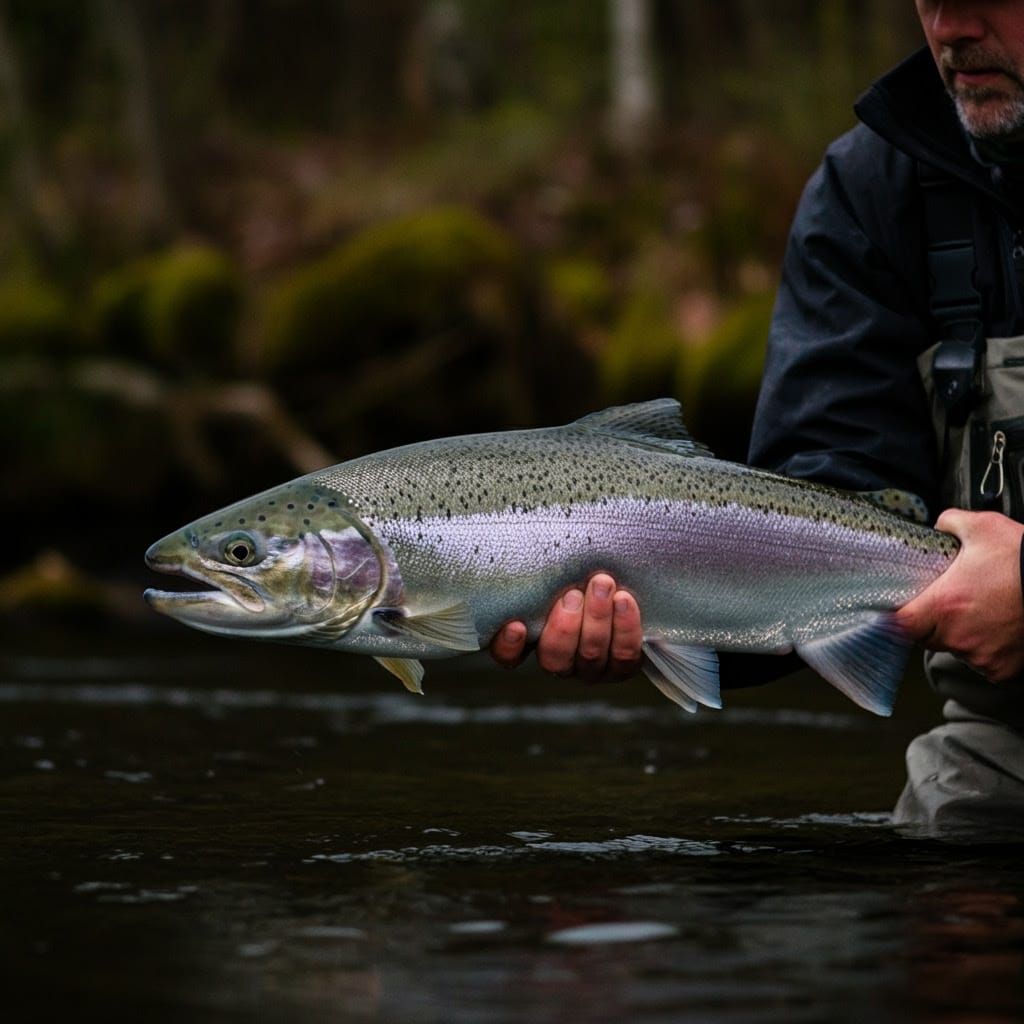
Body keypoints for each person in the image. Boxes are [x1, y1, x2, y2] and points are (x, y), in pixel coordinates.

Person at [491, 0, 1024, 831]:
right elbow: (834, 497)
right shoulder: (874, 188)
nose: (951, 27)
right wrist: (653, 598)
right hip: (1006, 747)